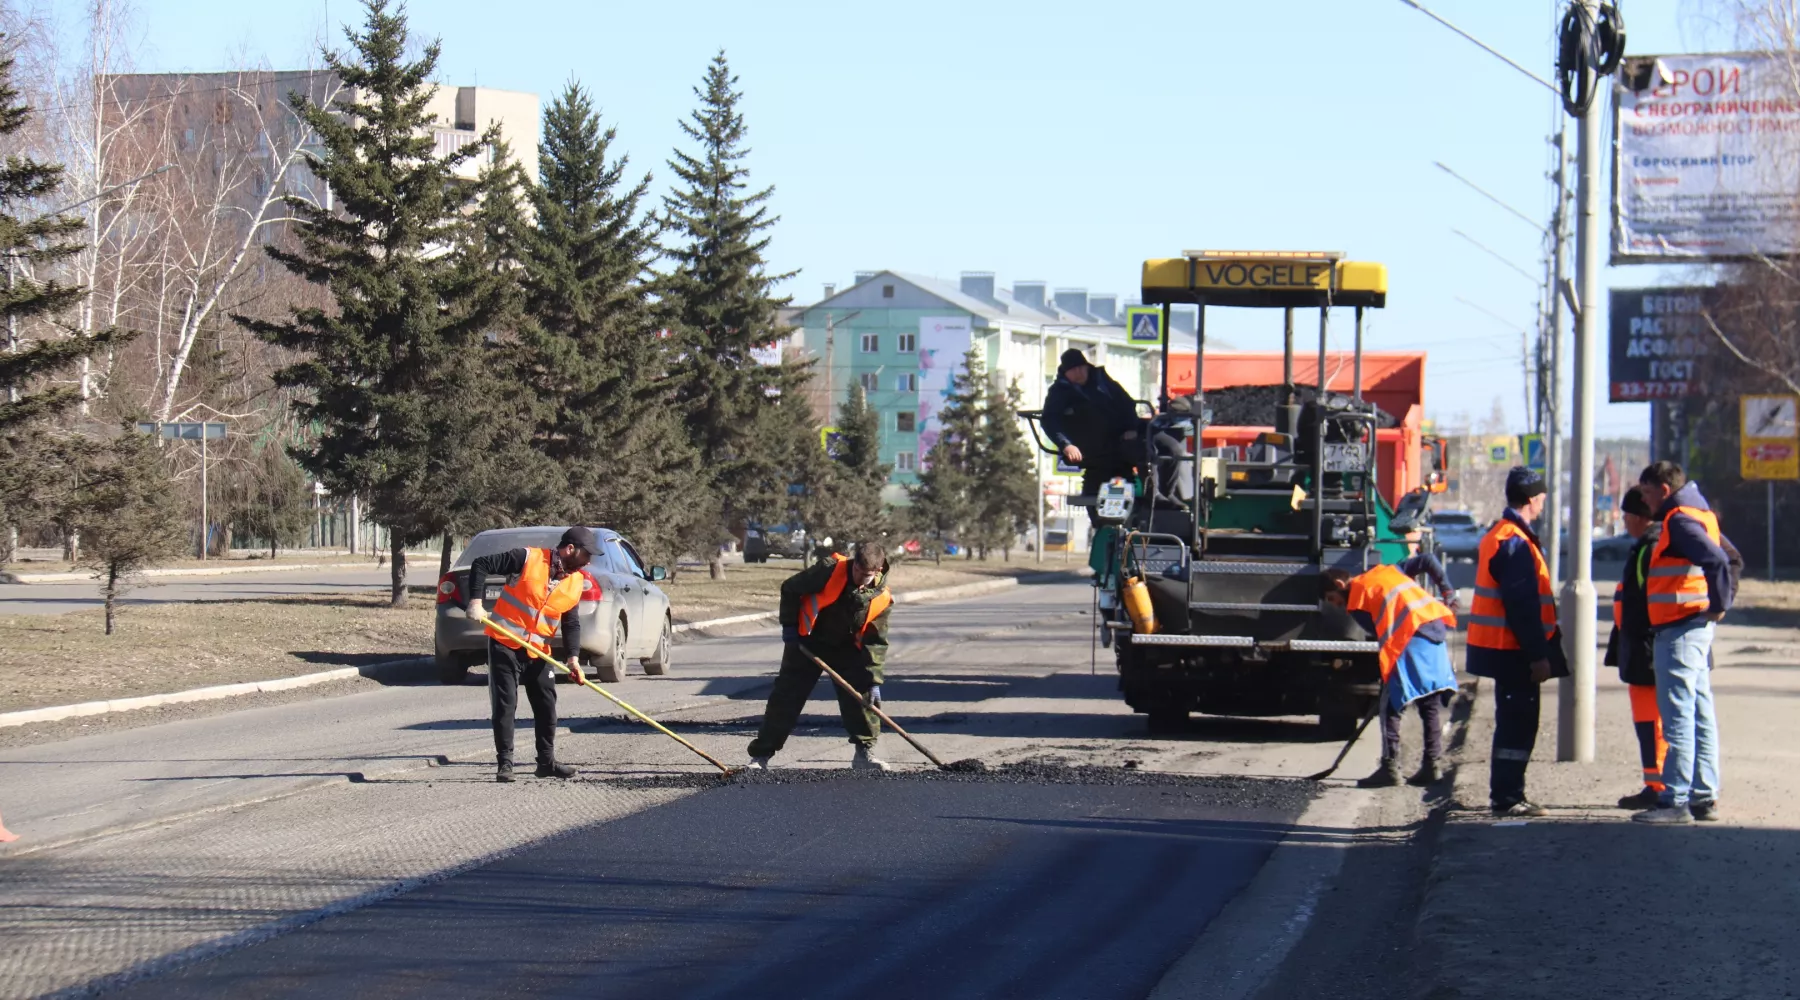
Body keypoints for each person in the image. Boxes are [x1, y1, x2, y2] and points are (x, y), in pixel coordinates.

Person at [1632, 461, 1736, 826]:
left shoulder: (1678, 519)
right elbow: (1730, 559)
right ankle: (1704, 795)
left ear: (1662, 488)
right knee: (1700, 713)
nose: (1642, 500)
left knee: (1678, 716)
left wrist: (1721, 604)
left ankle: (1674, 800)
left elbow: (1720, 562)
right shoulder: (1700, 512)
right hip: (1692, 626)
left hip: (1679, 629)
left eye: (1645, 492)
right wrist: (1718, 606)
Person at [1466, 467, 1567, 817]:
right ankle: (1508, 797)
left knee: (1514, 721)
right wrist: (1539, 656)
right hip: (1512, 651)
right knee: (1518, 724)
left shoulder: (1502, 534)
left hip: (1503, 648)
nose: (1543, 504)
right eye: (1541, 498)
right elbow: (1522, 606)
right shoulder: (1514, 541)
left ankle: (1508, 793)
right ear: (1530, 499)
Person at [464, 527, 596, 783]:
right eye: (587, 555)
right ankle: (505, 764)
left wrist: (573, 659)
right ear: (571, 549)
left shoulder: (576, 580)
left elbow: (571, 623)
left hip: (538, 651)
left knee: (547, 706)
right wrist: (476, 603)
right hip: (504, 642)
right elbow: (481, 564)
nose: (589, 561)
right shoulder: (527, 558)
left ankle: (546, 763)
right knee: (506, 705)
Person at [1321, 550, 1461, 789]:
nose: (1338, 606)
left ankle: (1390, 768)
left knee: (1390, 705)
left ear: (1339, 584)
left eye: (1334, 599)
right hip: (1434, 630)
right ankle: (1432, 765)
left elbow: (1385, 637)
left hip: (1411, 638)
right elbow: (1427, 559)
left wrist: (1388, 676)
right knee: (1429, 702)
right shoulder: (1386, 571)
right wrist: (1448, 592)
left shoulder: (1357, 601)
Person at [747, 543, 893, 771]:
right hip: (808, 641)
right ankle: (761, 756)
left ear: (878, 570)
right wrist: (790, 626)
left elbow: (875, 641)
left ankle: (864, 753)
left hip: (846, 648)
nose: (858, 577)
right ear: (854, 563)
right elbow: (790, 588)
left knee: (862, 696)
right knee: (786, 697)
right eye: (856, 570)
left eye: (865, 575)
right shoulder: (829, 570)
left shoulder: (882, 598)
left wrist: (874, 679)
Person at [1604, 487, 1668, 811]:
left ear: (1639, 517)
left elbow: (1645, 602)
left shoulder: (1650, 547)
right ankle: (1653, 784)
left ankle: (1660, 787)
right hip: (1642, 650)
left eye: (1626, 515)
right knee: (1648, 723)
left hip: (1648, 651)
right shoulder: (1645, 546)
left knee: (1655, 723)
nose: (1624, 521)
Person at [1041, 348, 1141, 520]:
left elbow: (1127, 405)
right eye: (1074, 370)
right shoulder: (1060, 391)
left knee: (1123, 491)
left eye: (1081, 367)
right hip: (1092, 453)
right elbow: (1049, 420)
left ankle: (1127, 520)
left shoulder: (1104, 383)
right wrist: (1066, 444)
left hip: (1119, 450)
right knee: (1096, 497)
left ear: (1087, 367)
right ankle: (1104, 526)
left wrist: (1131, 428)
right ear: (1066, 373)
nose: (1079, 372)